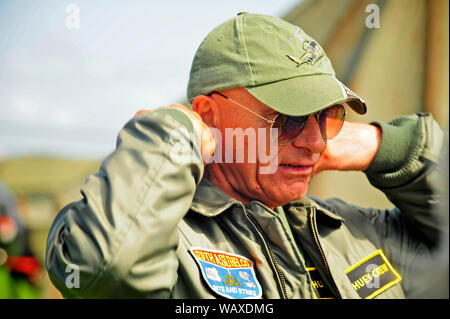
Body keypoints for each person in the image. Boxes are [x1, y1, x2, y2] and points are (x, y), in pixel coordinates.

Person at [45, 12, 447, 299]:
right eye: (289, 118)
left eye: (327, 116)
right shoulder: (166, 243)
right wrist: (171, 134)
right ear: (206, 116)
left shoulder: (351, 230)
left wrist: (387, 146)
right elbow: (103, 270)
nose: (315, 140)